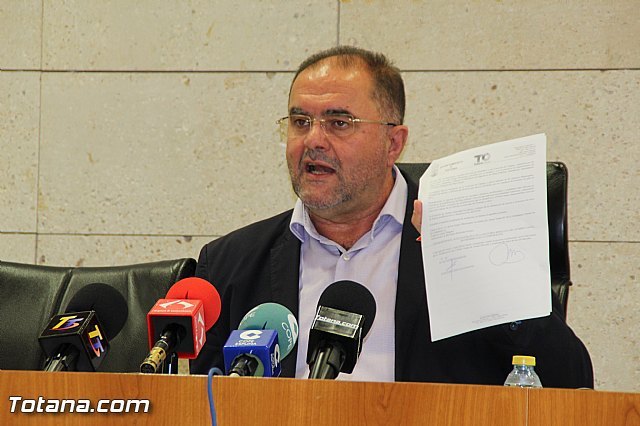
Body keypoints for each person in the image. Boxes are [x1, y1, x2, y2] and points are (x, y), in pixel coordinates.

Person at [190, 46, 593, 388]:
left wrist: (485, 276)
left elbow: (570, 378)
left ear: (393, 143)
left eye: (338, 122)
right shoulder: (231, 263)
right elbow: (197, 401)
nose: (313, 140)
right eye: (300, 122)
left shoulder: (455, 246)